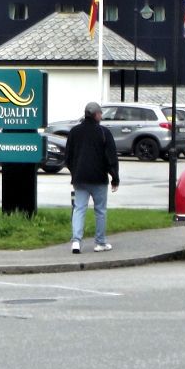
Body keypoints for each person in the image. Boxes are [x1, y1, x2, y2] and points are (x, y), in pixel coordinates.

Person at [65, 101, 119, 254]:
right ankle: (100, 242)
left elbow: (68, 157)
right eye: (100, 113)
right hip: (99, 178)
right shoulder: (104, 133)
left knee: (79, 209)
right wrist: (115, 177)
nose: (101, 116)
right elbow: (111, 158)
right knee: (100, 210)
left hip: (80, 178)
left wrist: (74, 172)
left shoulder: (74, 132)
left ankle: (76, 241)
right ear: (96, 115)